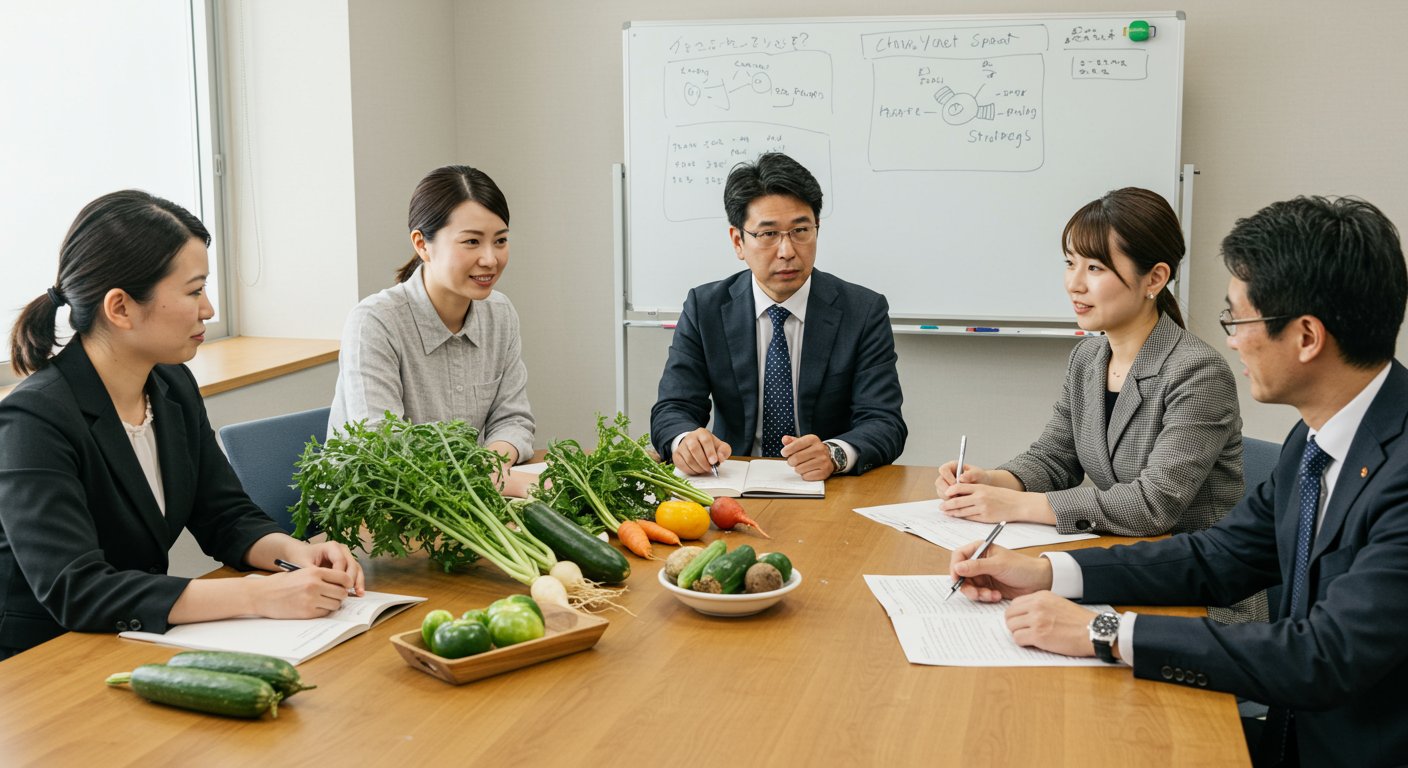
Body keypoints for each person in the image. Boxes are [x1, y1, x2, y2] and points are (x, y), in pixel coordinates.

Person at [947, 196, 1408, 767]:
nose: (1232, 339)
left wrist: (1106, 632)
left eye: (1237, 318)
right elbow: (1220, 557)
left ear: (1307, 337)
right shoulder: (1316, 438)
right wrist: (1045, 572)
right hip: (1296, 731)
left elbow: (1324, 655)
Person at [0, 191, 364, 659]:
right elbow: (77, 588)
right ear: (120, 308)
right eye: (194, 291)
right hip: (47, 661)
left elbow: (224, 514)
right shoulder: (33, 419)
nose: (209, 309)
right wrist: (257, 596)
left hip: (135, 642)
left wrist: (293, 553)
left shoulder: (171, 384)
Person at [937, 188, 1243, 538]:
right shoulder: (1088, 358)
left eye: (1095, 267)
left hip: (1193, 578)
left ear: (1155, 278)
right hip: (1122, 556)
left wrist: (1018, 505)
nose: (1074, 284)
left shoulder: (1199, 373)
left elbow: (1153, 504)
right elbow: (1054, 458)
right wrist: (992, 481)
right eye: (1070, 263)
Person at [650, 152, 906, 480]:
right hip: (731, 480)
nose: (787, 250)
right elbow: (673, 408)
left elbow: (885, 422)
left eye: (801, 230)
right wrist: (685, 441)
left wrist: (835, 453)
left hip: (827, 487)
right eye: (769, 234)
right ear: (738, 241)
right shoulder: (705, 308)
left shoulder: (862, 311)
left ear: (817, 229)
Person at [327, 165, 535, 495]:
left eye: (500, 241)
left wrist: (490, 467)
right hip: (380, 513)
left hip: (465, 500)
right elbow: (385, 450)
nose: (490, 259)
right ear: (422, 244)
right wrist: (498, 481)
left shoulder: (500, 313)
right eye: (471, 241)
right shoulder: (374, 322)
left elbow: (514, 419)